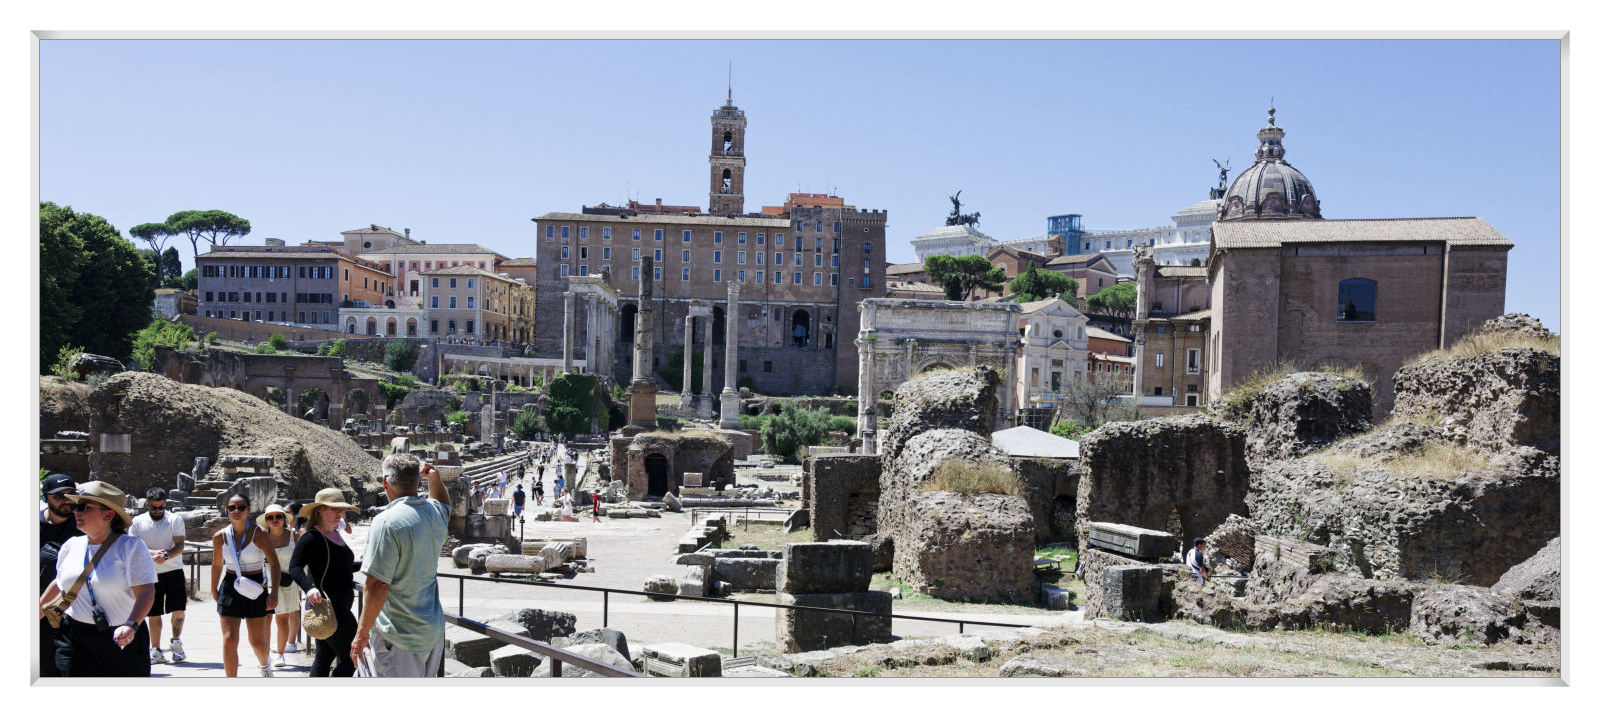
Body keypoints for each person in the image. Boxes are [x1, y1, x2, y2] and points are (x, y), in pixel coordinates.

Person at [39, 481, 157, 677]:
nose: (76, 511)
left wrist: (132, 625)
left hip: (121, 640)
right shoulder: (71, 545)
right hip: (74, 638)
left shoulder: (130, 547)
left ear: (108, 515)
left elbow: (146, 591)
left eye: (83, 507)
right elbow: (60, 584)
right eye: (75, 506)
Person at [352, 452, 451, 677]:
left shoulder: (386, 522)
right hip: (431, 632)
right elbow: (445, 504)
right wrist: (434, 478)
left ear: (385, 482)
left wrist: (362, 633)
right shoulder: (434, 513)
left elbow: (377, 585)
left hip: (398, 638)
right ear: (417, 481)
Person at [291, 489, 363, 677]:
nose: (340, 514)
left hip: (339, 606)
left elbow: (341, 566)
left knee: (324, 657)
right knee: (352, 658)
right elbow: (295, 567)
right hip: (327, 607)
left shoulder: (335, 534)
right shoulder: (312, 537)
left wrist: (370, 566)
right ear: (320, 510)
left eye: (341, 510)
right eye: (334, 509)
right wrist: (309, 588)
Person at [211, 494, 283, 677]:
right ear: (226, 510)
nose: (236, 511)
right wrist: (213, 588)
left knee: (257, 642)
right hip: (230, 585)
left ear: (248, 511)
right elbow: (217, 564)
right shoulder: (220, 537)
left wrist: (274, 593)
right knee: (229, 639)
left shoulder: (259, 534)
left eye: (241, 507)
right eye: (231, 508)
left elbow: (274, 563)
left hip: (255, 586)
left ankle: (265, 665)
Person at [129, 487, 187, 665]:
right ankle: (155, 649)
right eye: (154, 508)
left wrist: (166, 555)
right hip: (149, 573)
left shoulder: (174, 519)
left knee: (178, 609)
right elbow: (133, 545)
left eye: (161, 507)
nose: (158, 511)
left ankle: (176, 643)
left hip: (173, 571)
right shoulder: (137, 522)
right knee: (153, 613)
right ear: (147, 504)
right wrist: (152, 554)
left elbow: (180, 545)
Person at [38, 474, 81, 677]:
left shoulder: (83, 525)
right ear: (45, 497)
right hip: (39, 616)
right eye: (59, 496)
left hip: (73, 616)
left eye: (70, 495)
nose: (66, 500)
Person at [259, 505, 302, 667]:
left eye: (279, 516)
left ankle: (281, 654)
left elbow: (302, 559)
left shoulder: (294, 536)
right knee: (266, 621)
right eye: (271, 517)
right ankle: (265, 655)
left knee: (282, 620)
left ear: (284, 518)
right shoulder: (262, 538)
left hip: (288, 583)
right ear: (266, 520)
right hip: (267, 584)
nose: (275, 520)